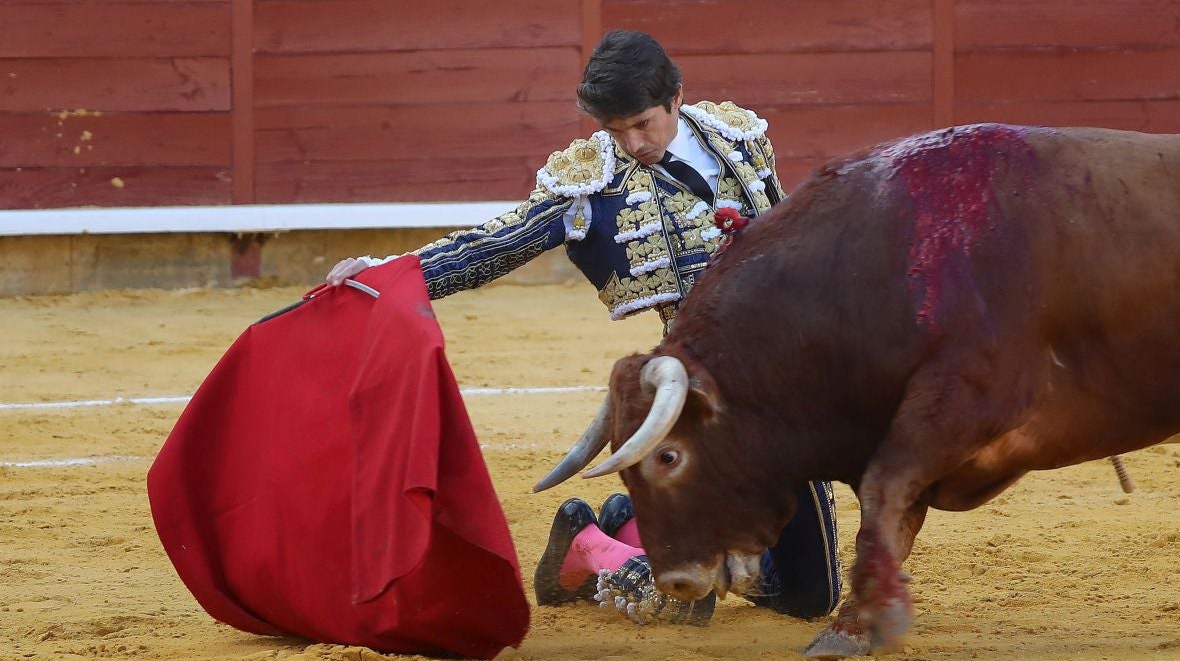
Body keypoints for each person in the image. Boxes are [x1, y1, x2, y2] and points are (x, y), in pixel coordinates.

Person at [325, 31, 840, 624]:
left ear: (677, 98)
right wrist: (394, 274)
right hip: (699, 394)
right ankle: (598, 553)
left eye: (642, 124)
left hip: (787, 376)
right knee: (705, 579)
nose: (630, 142)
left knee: (810, 597)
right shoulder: (591, 182)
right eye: (615, 129)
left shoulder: (740, 140)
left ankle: (622, 524)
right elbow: (497, 245)